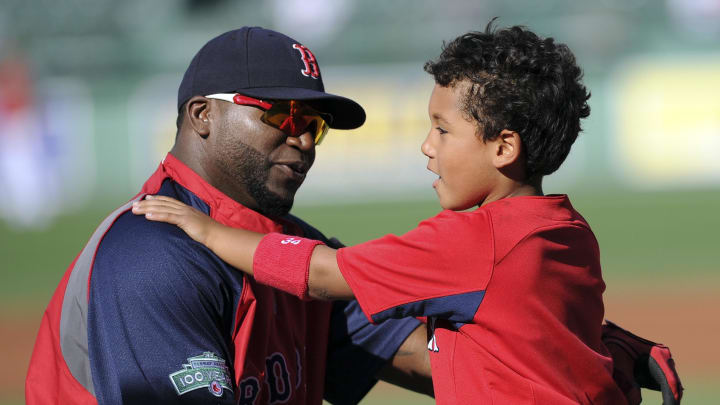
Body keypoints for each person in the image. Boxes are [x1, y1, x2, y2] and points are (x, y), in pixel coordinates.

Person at [133, 22, 684, 404]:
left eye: (443, 129)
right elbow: (554, 330)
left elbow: (322, 273)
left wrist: (206, 230)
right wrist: (629, 353)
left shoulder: (472, 241)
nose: (426, 145)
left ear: (504, 147)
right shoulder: (566, 228)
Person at [25, 27, 433, 404]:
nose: (305, 140)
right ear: (203, 114)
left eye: (314, 124)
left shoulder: (291, 251)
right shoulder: (153, 254)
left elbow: (432, 361)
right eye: (285, 116)